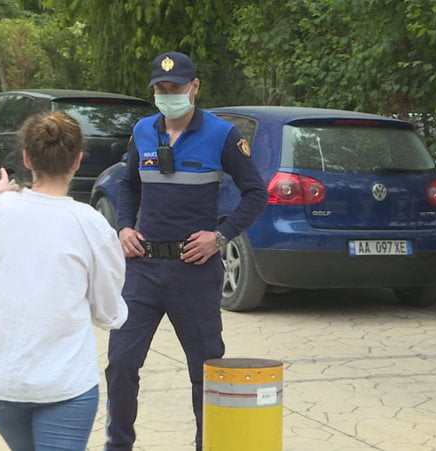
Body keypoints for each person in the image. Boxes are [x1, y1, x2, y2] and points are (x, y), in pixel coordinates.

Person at [105, 51, 267, 450]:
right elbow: (128, 185)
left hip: (194, 272)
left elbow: (255, 193)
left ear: (194, 87)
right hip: (143, 269)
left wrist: (221, 236)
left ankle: (206, 445)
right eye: (160, 88)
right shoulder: (143, 131)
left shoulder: (222, 134)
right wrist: (124, 227)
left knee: (205, 371)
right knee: (121, 364)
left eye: (175, 88)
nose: (167, 95)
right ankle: (118, 444)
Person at [0, 112, 128, 450]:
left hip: (3, 382)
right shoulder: (91, 224)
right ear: (77, 160)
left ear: (27, 158)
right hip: (66, 384)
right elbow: (108, 313)